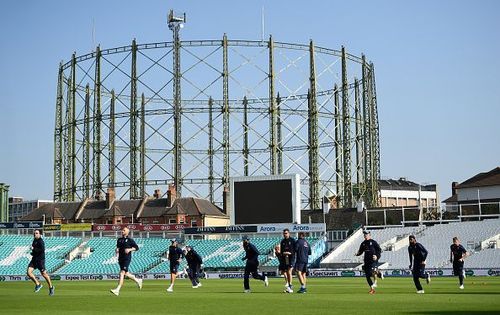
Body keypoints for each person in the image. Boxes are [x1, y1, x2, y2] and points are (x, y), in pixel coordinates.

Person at [110, 227, 143, 296]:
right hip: (120, 258)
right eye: (122, 230)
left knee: (122, 273)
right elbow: (118, 247)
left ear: (127, 232)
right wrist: (116, 250)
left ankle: (117, 290)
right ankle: (138, 280)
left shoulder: (130, 240)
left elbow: (137, 248)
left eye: (124, 230)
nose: (122, 231)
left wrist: (130, 249)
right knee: (126, 273)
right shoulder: (119, 240)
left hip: (126, 258)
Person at [27, 229, 55, 296]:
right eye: (34, 233)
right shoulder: (34, 240)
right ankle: (38, 284)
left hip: (40, 260)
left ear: (39, 234)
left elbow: (42, 250)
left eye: (36, 233)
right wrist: (33, 253)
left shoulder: (41, 241)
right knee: (28, 272)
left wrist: (33, 249)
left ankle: (51, 287)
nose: (35, 234)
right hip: (34, 259)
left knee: (44, 274)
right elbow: (35, 250)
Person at [355, 230, 382, 294]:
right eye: (364, 235)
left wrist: (377, 256)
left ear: (369, 235)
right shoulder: (363, 243)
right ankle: (372, 289)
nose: (365, 236)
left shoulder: (373, 242)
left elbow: (379, 250)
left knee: (372, 272)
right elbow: (360, 251)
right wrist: (357, 254)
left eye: (366, 235)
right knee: (367, 276)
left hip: (373, 261)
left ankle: (378, 273)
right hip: (366, 261)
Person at [280, 228, 296, 293]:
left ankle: (290, 285)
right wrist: (283, 253)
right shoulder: (282, 241)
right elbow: (281, 251)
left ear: (289, 233)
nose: (285, 234)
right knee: (286, 272)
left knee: (289, 271)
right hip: (285, 258)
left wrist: (290, 253)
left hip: (291, 258)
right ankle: (289, 286)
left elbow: (295, 249)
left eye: (286, 233)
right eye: (284, 233)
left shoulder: (292, 240)